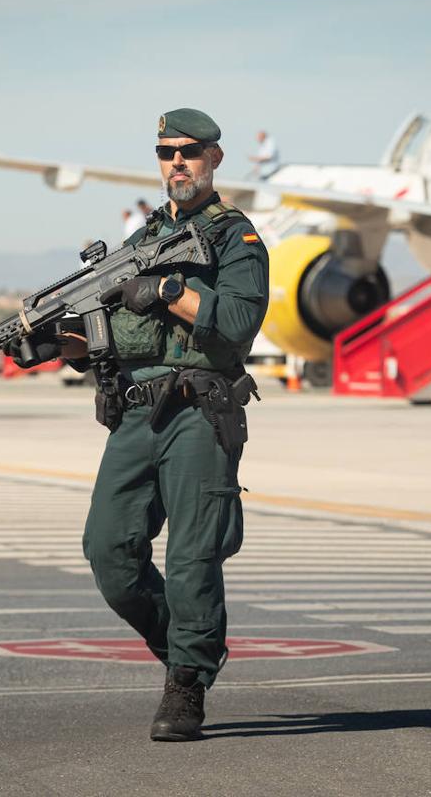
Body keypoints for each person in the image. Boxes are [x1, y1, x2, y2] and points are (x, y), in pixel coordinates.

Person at [54, 108, 269, 741]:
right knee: (108, 550)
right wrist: (52, 345)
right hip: (135, 413)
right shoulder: (140, 241)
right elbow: (109, 338)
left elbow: (234, 323)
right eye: (166, 152)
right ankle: (184, 644)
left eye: (190, 151)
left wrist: (169, 289)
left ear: (214, 159)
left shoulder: (237, 239)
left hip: (199, 409)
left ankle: (187, 682)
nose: (178, 162)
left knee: (192, 557)